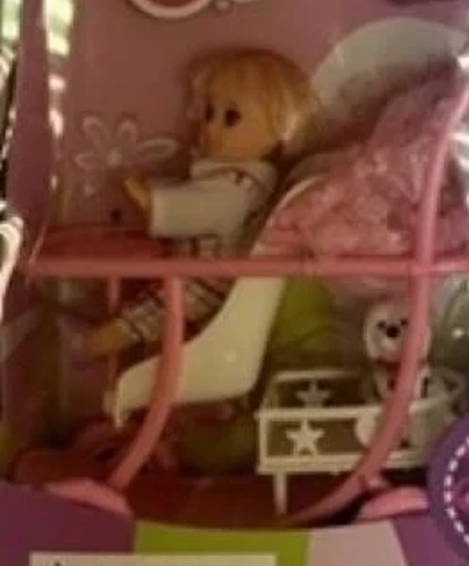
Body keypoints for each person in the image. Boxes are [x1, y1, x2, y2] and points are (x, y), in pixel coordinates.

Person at [79, 48, 314, 360]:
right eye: (209, 113)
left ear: (279, 130)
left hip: (210, 281)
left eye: (230, 117)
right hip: (194, 271)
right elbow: (194, 192)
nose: (210, 127)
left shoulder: (238, 188)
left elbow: (202, 208)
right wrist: (154, 189)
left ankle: (89, 346)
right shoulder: (232, 175)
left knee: (152, 313)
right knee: (152, 305)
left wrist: (150, 201)